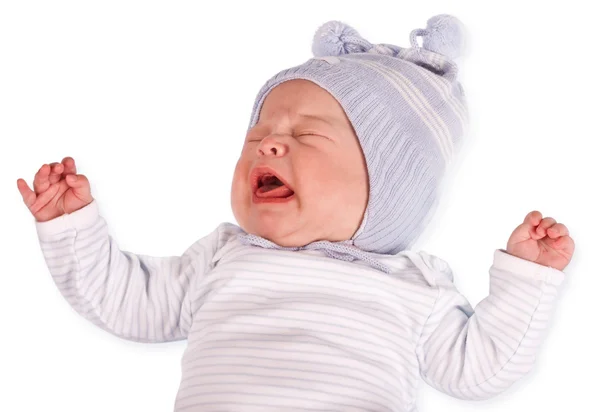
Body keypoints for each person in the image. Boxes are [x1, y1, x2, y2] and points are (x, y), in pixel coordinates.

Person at [17, 14, 574, 412]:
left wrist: (527, 279)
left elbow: (479, 371)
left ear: (390, 188)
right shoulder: (221, 258)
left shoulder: (414, 287)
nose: (268, 146)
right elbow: (125, 303)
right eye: (258, 135)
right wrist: (72, 225)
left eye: (306, 134)